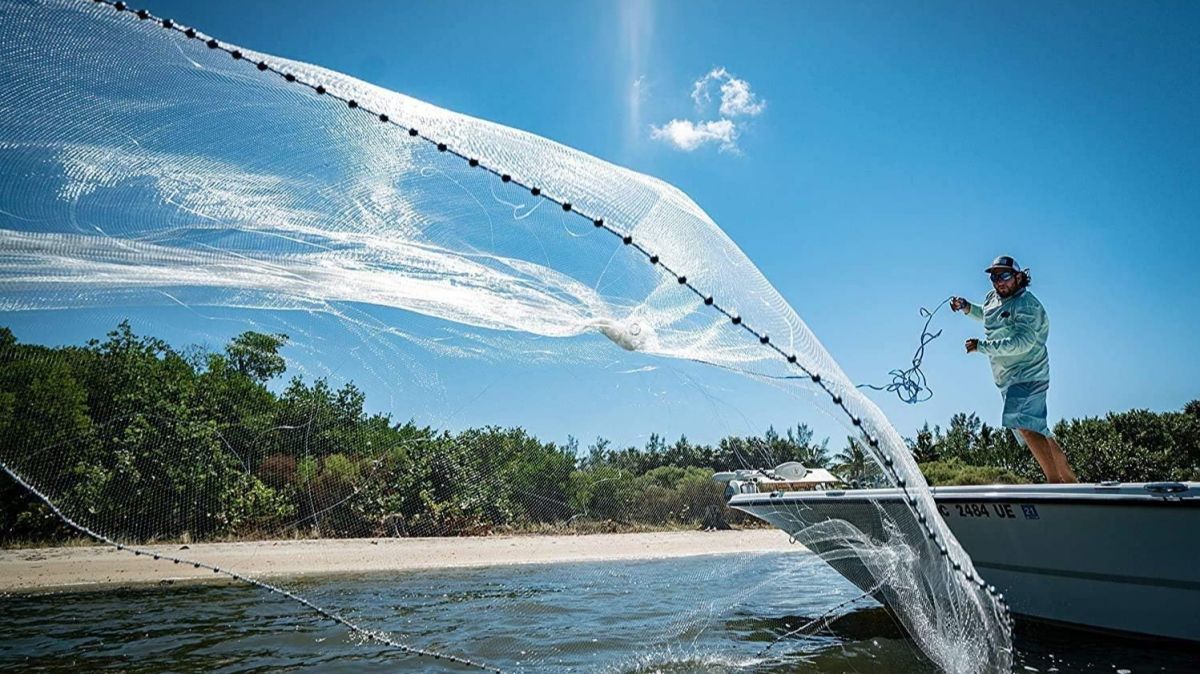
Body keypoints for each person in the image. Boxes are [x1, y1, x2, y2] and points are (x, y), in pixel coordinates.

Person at [950, 255, 1077, 483]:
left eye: (1005, 276)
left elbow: (1023, 343)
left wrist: (982, 346)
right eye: (994, 277)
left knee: (1025, 425)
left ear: (1019, 277)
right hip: (1009, 379)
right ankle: (1072, 484)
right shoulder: (993, 298)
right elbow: (988, 315)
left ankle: (1054, 484)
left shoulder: (1027, 304)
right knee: (1039, 431)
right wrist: (967, 307)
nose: (999, 281)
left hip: (1029, 373)